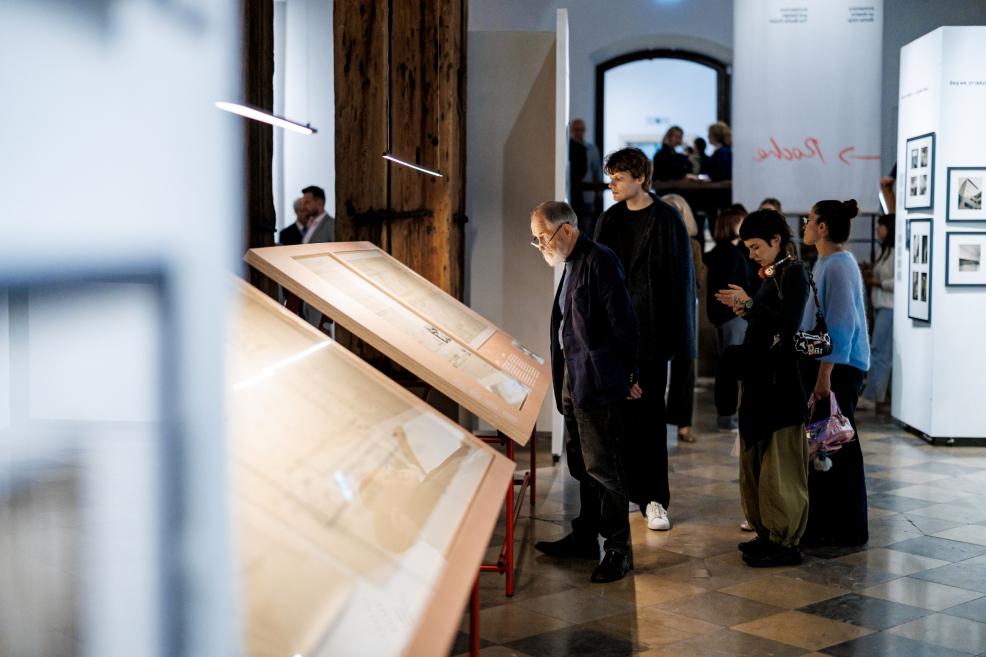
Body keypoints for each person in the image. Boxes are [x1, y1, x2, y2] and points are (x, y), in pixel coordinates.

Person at [530, 201, 640, 583]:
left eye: (542, 237)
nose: (540, 245)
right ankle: (585, 535)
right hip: (572, 378)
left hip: (597, 380)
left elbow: (623, 323)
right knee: (581, 463)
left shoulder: (600, 260)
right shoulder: (571, 262)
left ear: (566, 230)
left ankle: (617, 549)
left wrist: (628, 375)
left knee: (604, 467)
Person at [593, 147, 696, 532]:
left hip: (652, 339)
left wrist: (680, 345)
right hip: (615, 339)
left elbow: (681, 285)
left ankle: (654, 499)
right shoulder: (609, 220)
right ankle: (620, 499)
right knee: (616, 421)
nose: (612, 184)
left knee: (650, 419)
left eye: (618, 177)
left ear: (639, 177)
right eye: (611, 177)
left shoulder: (667, 220)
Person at [714, 209, 810, 567]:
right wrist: (748, 310)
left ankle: (785, 541)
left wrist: (751, 305)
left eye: (756, 247)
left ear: (775, 241)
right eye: (748, 248)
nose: (751, 254)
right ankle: (769, 533)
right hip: (762, 384)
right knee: (759, 463)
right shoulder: (777, 273)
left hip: (780, 386)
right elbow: (771, 321)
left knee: (779, 469)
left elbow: (788, 325)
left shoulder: (794, 273)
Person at [800, 199, 871, 546]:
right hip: (829, 363)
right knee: (826, 444)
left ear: (823, 226)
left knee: (838, 442)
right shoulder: (826, 262)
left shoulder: (839, 264)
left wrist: (824, 376)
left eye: (809, 220)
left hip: (839, 367)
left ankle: (846, 527)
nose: (805, 226)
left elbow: (842, 325)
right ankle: (827, 523)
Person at [706, 208, 757, 430]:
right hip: (732, 316)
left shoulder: (727, 251)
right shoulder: (729, 253)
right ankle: (727, 415)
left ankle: (728, 414)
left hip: (727, 316)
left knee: (730, 365)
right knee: (731, 367)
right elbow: (729, 288)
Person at [661, 193, 704, 443]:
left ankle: (683, 424)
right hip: (657, 313)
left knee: (684, 368)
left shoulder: (693, 245)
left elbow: (697, 281)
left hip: (684, 312)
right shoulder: (656, 242)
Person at [859, 215, 895, 411]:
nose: (877, 229)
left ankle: (873, 396)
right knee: (881, 351)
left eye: (880, 226)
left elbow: (898, 281)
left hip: (889, 307)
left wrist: (877, 282)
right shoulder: (886, 251)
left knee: (879, 351)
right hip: (882, 305)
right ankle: (881, 394)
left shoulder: (895, 251)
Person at [568, 118, 603, 234]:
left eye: (581, 129)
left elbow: (597, 170)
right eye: (576, 129)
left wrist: (598, 191)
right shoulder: (567, 148)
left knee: (586, 228)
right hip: (570, 193)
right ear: (572, 130)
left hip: (587, 194)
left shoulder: (592, 149)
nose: (579, 132)